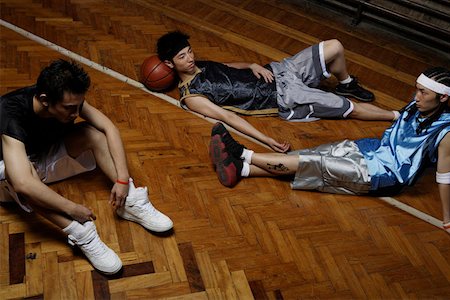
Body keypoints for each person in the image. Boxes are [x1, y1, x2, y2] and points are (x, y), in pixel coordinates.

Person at [209, 67, 450, 233]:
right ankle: (242, 169)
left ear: (442, 98)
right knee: (310, 156)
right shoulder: (417, 105)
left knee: (313, 165)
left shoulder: (446, 132)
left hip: (382, 174)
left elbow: (444, 178)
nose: (415, 96)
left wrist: (448, 219)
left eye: (423, 92)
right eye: (417, 89)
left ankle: (241, 153)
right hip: (370, 148)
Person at [0, 60, 173, 275]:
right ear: (45, 100)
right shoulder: (10, 112)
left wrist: (122, 179)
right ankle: (81, 234)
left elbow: (109, 127)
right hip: (9, 178)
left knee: (93, 134)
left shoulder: (69, 99)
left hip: (42, 156)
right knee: (20, 176)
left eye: (78, 106)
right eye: (70, 108)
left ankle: (128, 201)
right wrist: (71, 208)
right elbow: (22, 182)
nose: (75, 113)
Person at [157, 31, 400, 153]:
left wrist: (252, 65)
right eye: (182, 56)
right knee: (347, 107)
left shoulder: (201, 65)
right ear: (169, 64)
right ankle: (398, 115)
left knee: (334, 46)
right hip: (284, 97)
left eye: (189, 51)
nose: (190, 58)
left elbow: (229, 67)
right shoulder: (192, 95)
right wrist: (266, 140)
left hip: (280, 70)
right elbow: (229, 118)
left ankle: (346, 82)